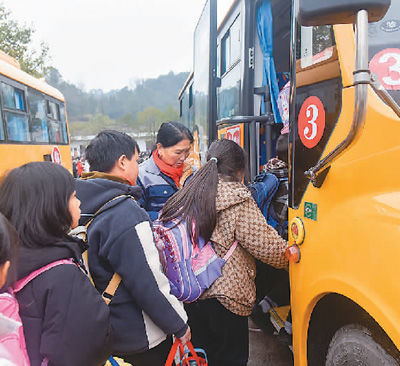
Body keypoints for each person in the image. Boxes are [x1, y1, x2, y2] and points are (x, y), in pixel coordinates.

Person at [160, 139, 288, 366]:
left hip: (192, 292)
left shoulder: (190, 191)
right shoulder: (237, 199)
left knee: (201, 358)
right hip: (226, 297)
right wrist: (291, 254)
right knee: (230, 360)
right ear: (240, 169)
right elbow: (270, 249)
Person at [75, 130, 190, 366]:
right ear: (122, 162)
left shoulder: (78, 204)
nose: (138, 167)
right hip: (137, 336)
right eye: (136, 160)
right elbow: (148, 281)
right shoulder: (124, 212)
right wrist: (178, 324)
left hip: (101, 328)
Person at [0, 161, 112, 366]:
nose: (79, 202)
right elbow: (85, 347)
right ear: (50, 207)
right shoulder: (62, 274)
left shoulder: (9, 262)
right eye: (73, 196)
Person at [138, 121, 195, 220]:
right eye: (178, 152)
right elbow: (136, 214)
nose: (183, 157)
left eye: (187, 151)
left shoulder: (193, 173)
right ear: (160, 148)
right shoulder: (142, 175)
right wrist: (169, 218)